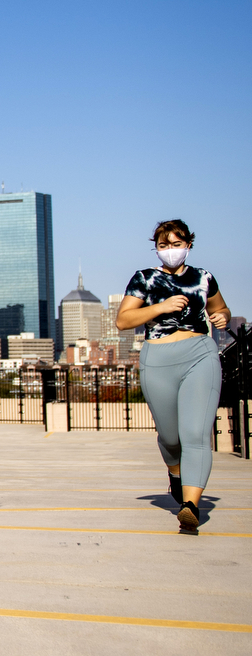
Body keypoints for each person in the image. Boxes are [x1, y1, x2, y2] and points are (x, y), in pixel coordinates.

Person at [116, 219, 232, 533]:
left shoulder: (204, 277)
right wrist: (160, 307)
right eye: (164, 245)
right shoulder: (144, 278)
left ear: (188, 245)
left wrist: (222, 316)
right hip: (158, 359)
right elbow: (124, 321)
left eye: (176, 244)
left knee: (196, 434)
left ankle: (191, 505)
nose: (170, 251)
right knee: (170, 437)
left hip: (200, 354)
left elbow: (221, 309)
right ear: (156, 248)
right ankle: (176, 475)